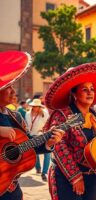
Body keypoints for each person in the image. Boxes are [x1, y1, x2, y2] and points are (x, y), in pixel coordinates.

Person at [44, 63, 96, 200]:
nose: (90, 93)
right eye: (84, 89)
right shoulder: (62, 115)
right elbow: (59, 147)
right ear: (74, 93)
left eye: (92, 89)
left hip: (91, 176)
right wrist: (75, 176)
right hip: (65, 177)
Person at [0, 51, 63, 200]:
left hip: (11, 189)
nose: (14, 91)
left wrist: (48, 142)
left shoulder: (16, 117)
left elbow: (28, 145)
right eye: (9, 87)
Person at [25, 98, 50, 181]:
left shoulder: (45, 113)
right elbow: (26, 125)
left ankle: (44, 172)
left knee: (47, 153)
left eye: (37, 106)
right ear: (32, 106)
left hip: (43, 135)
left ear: (40, 106)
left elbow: (48, 123)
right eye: (34, 106)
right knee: (34, 153)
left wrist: (44, 129)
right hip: (31, 135)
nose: (35, 107)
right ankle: (38, 168)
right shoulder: (27, 114)